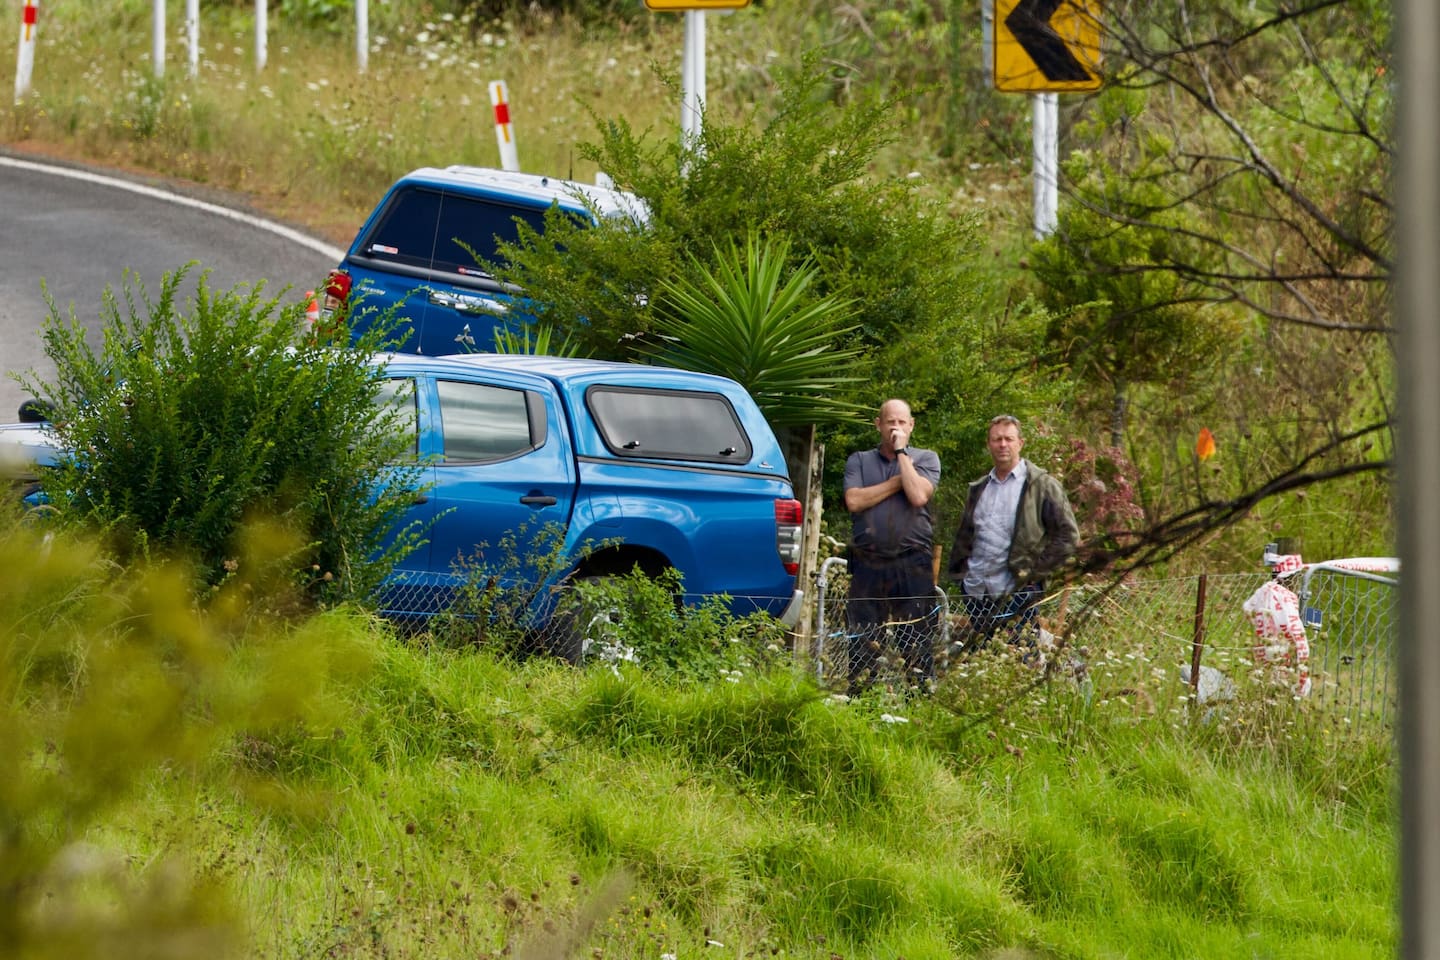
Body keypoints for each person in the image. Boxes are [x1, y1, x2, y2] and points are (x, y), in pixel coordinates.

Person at [947, 414, 1078, 652]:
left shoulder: (1041, 485)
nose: (1002, 444)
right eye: (997, 439)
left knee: (1021, 659)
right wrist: (962, 579)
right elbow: (967, 537)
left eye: (1008, 439)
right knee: (985, 658)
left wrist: (1034, 575)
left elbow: (1067, 536)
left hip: (1017, 590)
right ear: (989, 444)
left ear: (1021, 443)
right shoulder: (979, 488)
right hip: (977, 592)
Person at [842, 398, 941, 691]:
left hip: (912, 564)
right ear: (878, 425)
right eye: (890, 422)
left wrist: (901, 454)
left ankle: (919, 709)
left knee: (916, 643)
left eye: (901, 422)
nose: (895, 427)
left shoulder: (926, 459)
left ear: (911, 426)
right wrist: (897, 482)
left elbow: (919, 496)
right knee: (863, 641)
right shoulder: (859, 460)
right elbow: (854, 501)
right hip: (868, 563)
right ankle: (861, 710)